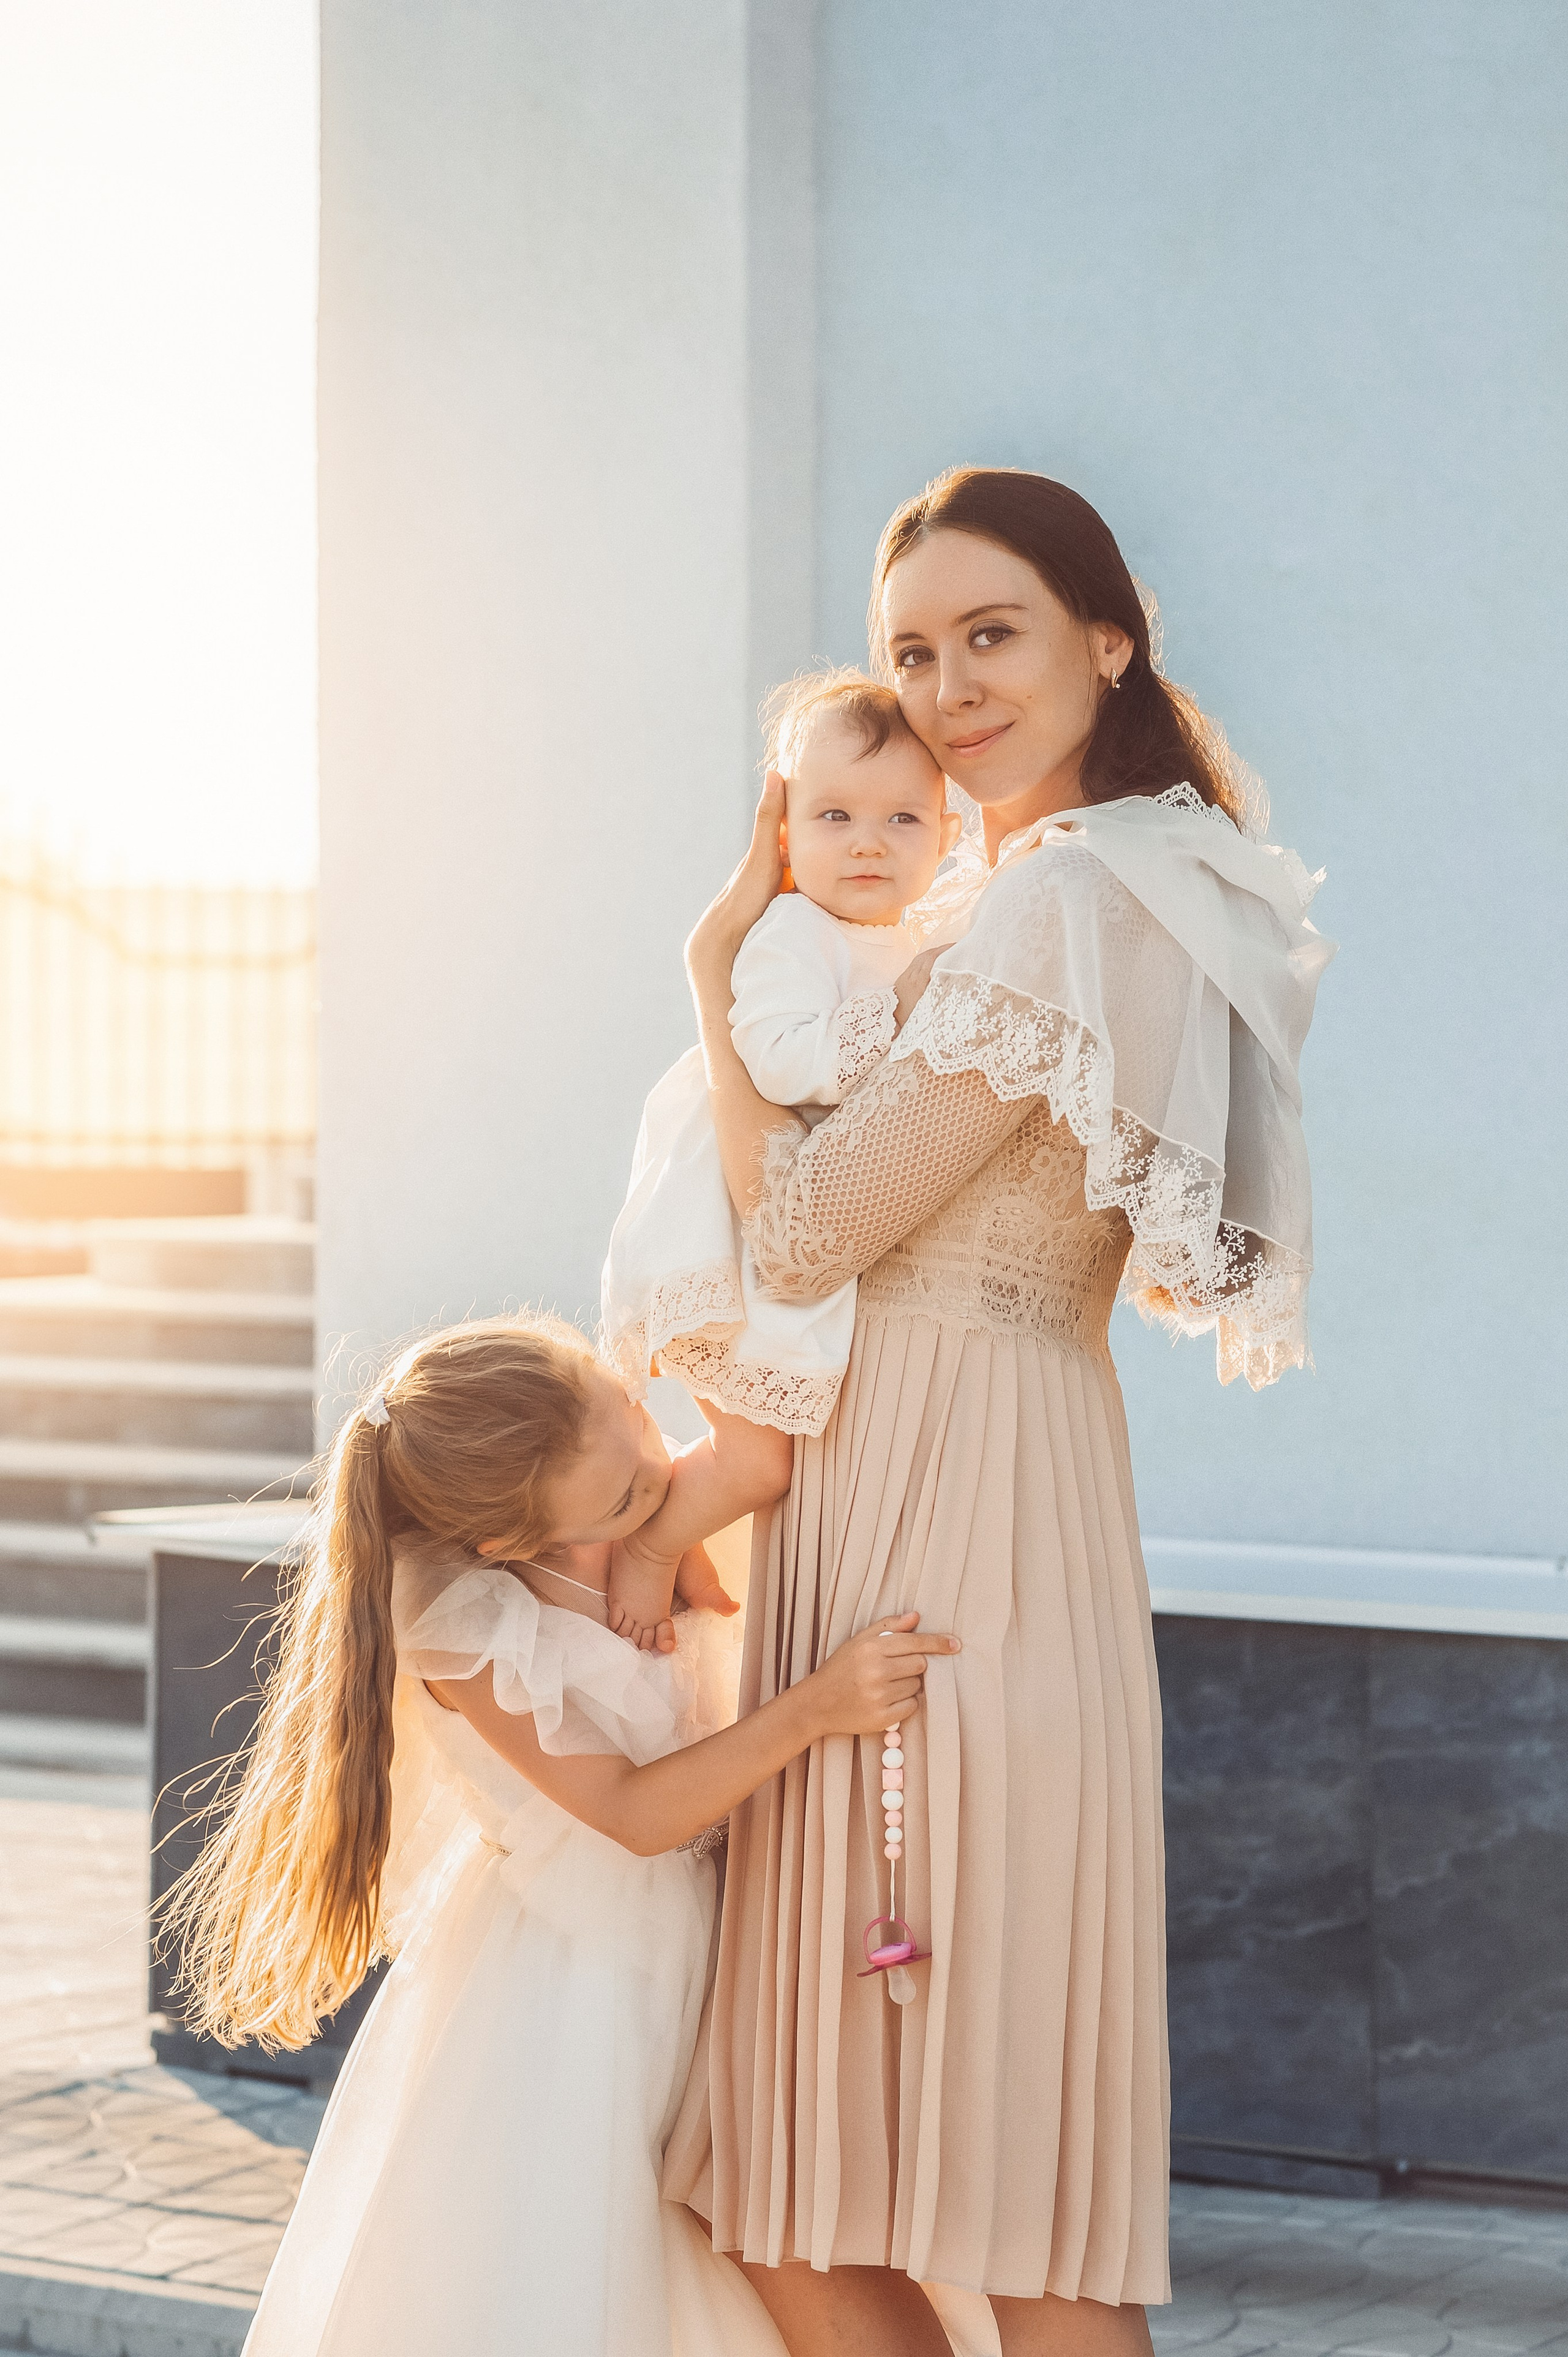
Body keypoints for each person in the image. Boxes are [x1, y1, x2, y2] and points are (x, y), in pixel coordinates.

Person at [667, 468, 1335, 2357]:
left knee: (838, 2176)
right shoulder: (1138, 877)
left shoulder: (1064, 898)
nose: (947, 686)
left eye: (993, 635)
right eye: (909, 650)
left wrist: (711, 980)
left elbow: (804, 1223)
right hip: (1000, 1479)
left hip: (941, 1514)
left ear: (1104, 641)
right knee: (957, 2174)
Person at [165, 1314, 960, 2357]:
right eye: (625, 1492)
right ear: (505, 1539)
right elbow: (634, 1813)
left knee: (809, 2239)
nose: (653, 1467)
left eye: (633, 1416)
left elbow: (758, 1456)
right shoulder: (467, 1625)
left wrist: (663, 1476)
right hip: (595, 1985)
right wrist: (817, 1707)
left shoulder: (635, 1499)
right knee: (609, 2273)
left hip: (731, 1934)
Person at [601, 670, 960, 1643]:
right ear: (786, 831)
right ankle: (642, 1547)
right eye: (836, 815)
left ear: (947, 838)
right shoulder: (795, 931)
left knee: (783, 1459)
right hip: (726, 1219)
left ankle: (668, 1540)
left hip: (800, 1222)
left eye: (902, 820)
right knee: (758, 1461)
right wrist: (901, 1009)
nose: (869, 842)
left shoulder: (910, 938)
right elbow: (781, 1056)